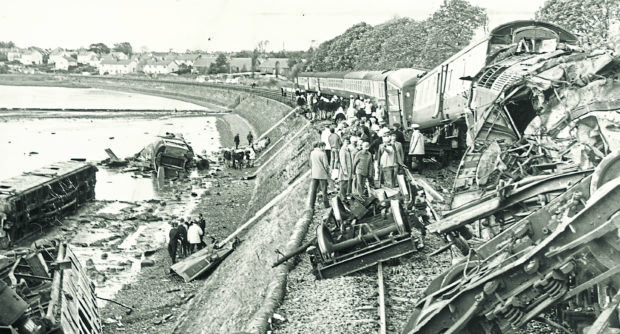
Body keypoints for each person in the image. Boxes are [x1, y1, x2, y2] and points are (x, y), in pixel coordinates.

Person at [309, 141, 331, 209]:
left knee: (313, 190)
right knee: (324, 190)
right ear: (320, 146)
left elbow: (310, 163)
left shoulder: (312, 153)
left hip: (314, 174)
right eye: (323, 146)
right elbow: (326, 165)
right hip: (322, 174)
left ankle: (311, 205)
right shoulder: (322, 154)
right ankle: (326, 205)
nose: (324, 148)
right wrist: (328, 173)